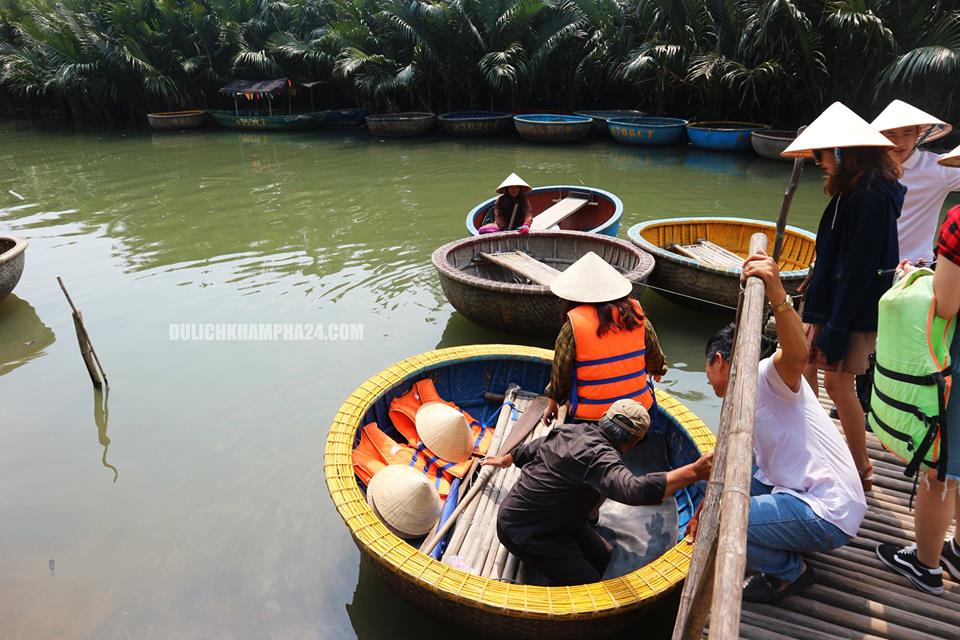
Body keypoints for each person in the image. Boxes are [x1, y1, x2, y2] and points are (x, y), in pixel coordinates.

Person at [691, 250, 867, 603]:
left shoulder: (767, 376)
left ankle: (790, 574)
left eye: (708, 371)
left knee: (725, 521)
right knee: (718, 500)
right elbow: (747, 467)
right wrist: (708, 492)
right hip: (818, 498)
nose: (709, 382)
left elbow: (797, 354)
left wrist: (777, 295)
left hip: (829, 511)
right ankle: (779, 539)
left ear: (720, 361)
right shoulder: (743, 404)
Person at [781, 102, 904, 490]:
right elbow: (841, 252)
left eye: (821, 153)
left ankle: (861, 469)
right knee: (803, 369)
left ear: (841, 152)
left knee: (837, 386)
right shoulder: (854, 190)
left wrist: (836, 325)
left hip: (846, 310)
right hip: (830, 302)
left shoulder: (868, 194)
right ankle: (822, 448)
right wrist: (817, 278)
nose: (818, 161)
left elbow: (860, 267)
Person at [481, 399, 712, 586]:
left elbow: (530, 449)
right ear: (633, 443)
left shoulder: (572, 429)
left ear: (604, 419)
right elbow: (633, 490)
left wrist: (506, 459)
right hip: (523, 530)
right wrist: (694, 471)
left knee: (605, 555)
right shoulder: (601, 459)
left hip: (555, 519)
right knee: (588, 581)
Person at [876, 199, 960, 595]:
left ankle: (926, 566)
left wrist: (919, 276)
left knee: (940, 469)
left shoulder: (958, 224)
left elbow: (946, 302)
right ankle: (957, 552)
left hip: (953, 359)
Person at [542, 251, 667, 425]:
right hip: (639, 413)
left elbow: (560, 378)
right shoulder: (637, 317)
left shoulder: (573, 327)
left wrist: (552, 404)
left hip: (593, 420)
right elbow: (657, 362)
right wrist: (658, 370)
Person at [871, 100, 958, 265]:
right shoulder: (869, 170)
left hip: (915, 266)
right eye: (891, 134)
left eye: (907, 133)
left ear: (918, 133)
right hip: (872, 264)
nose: (900, 142)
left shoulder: (939, 168)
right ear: (880, 136)